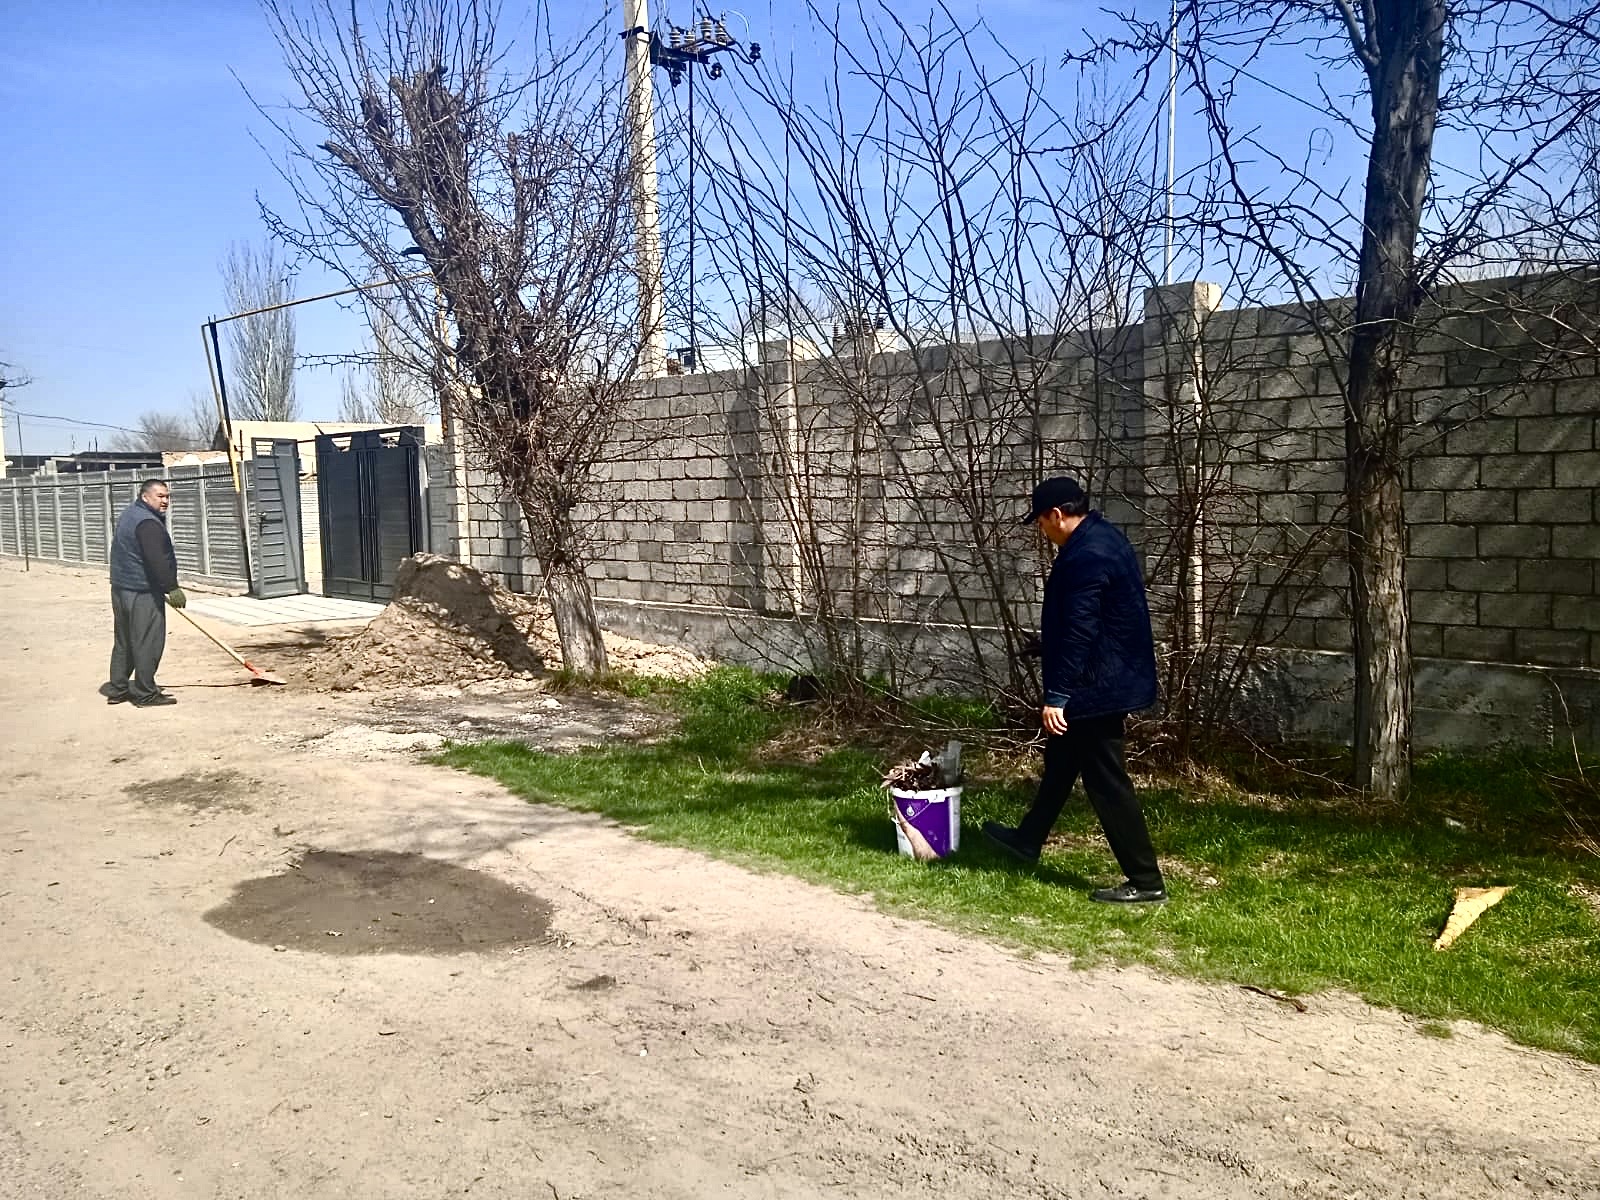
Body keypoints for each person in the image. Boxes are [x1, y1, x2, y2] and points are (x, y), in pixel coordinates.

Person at [983, 476, 1167, 903]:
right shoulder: (1101, 538)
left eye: (1040, 522)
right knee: (1062, 761)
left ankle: (1146, 881)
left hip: (1097, 685)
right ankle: (1027, 839)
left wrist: (1058, 695)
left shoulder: (1087, 554)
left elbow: (1082, 629)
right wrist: (1047, 644)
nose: (1041, 530)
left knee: (1106, 780)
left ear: (1057, 515)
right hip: (1104, 674)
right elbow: (1094, 618)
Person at [101, 479, 186, 708]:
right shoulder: (148, 523)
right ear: (145, 496)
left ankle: (118, 689)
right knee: (147, 642)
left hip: (121, 588)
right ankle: (145, 694)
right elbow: (156, 559)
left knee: (125, 641)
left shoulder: (130, 514)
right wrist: (171, 587)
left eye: (167, 496)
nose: (165, 501)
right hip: (142, 592)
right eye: (160, 496)